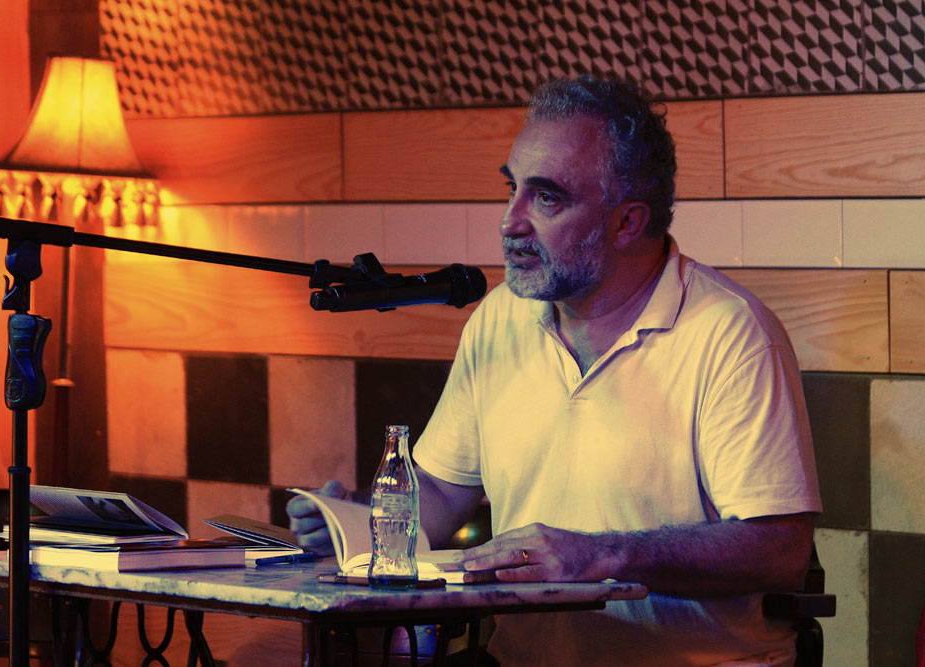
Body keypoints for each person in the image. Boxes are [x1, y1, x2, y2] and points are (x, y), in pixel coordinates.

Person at [288, 75, 821, 666]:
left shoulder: (730, 331)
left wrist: (601, 556)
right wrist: (355, 523)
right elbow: (440, 488)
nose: (510, 222)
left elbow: (778, 549)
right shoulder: (501, 319)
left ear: (627, 223)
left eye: (545, 198)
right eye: (511, 189)